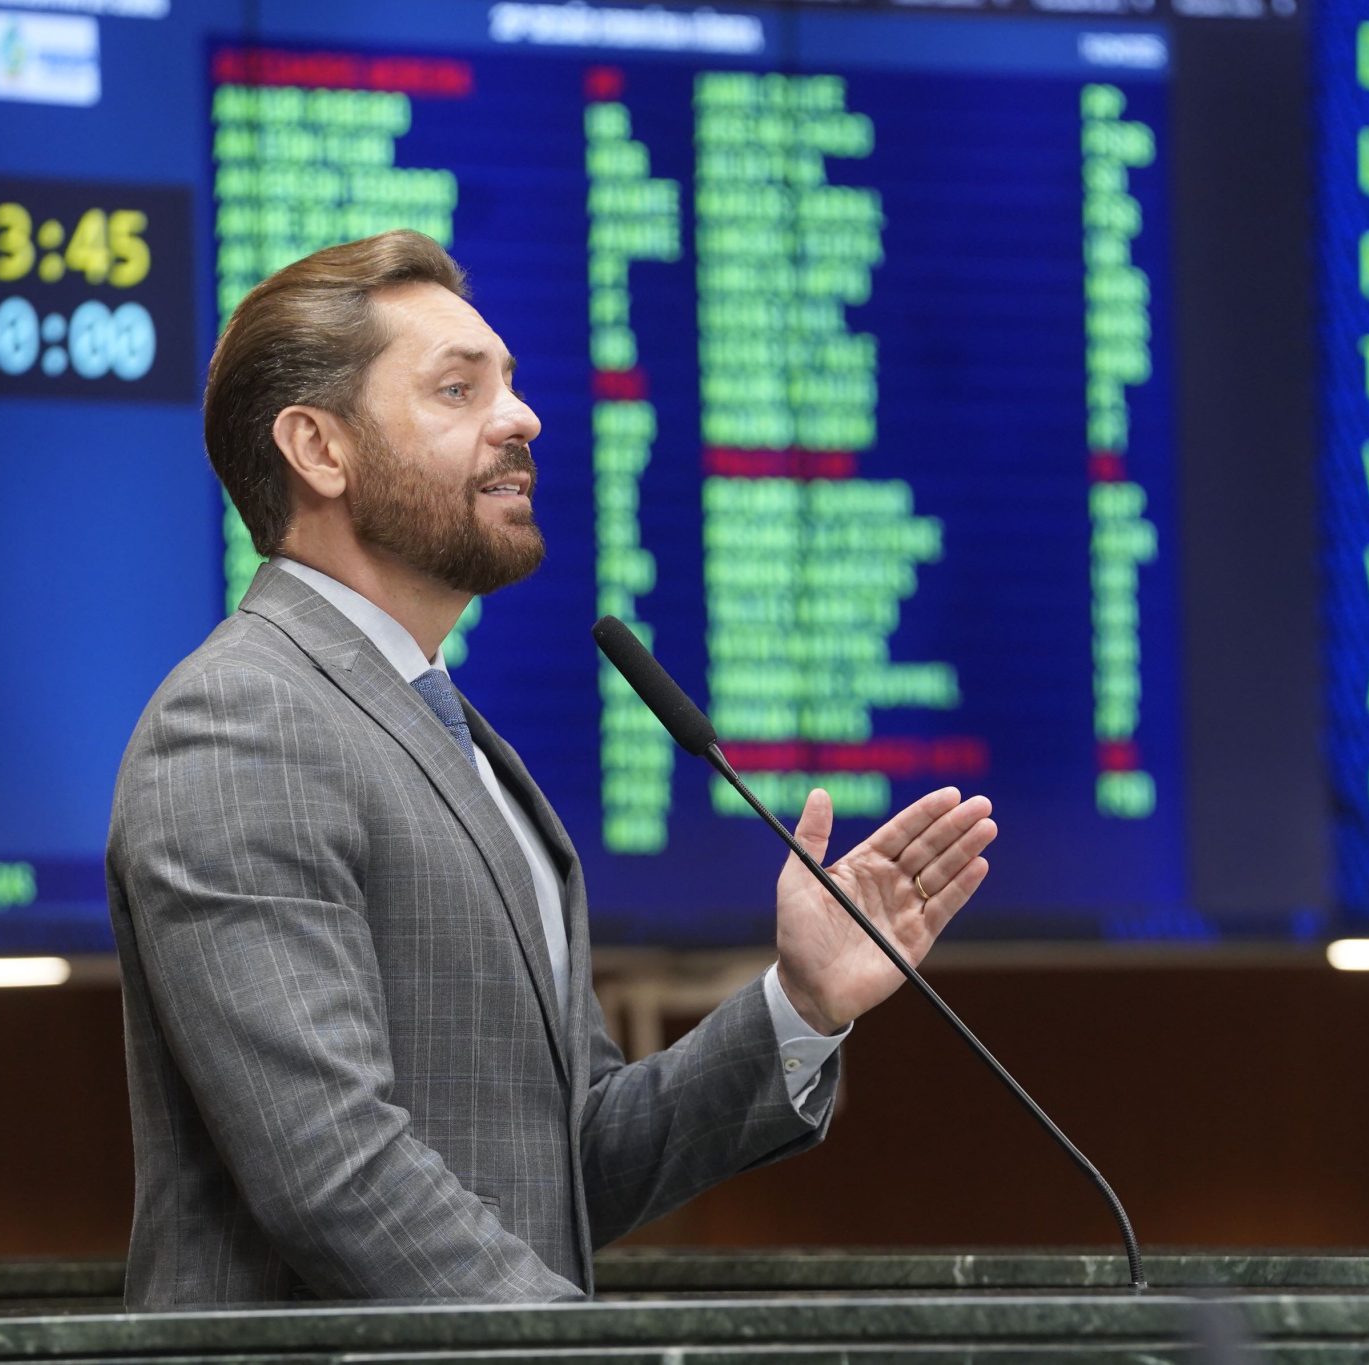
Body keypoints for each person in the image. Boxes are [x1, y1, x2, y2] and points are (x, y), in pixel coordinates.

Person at [106, 229, 998, 1307]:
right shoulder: (243, 720)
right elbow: (335, 1173)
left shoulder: (450, 736)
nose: (520, 417)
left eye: (510, 385)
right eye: (455, 389)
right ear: (319, 449)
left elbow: (563, 1169)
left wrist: (799, 1006)